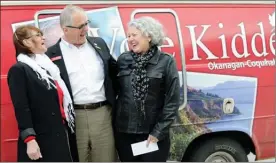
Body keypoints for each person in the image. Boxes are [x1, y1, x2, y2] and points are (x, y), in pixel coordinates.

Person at [46, 5, 117, 162]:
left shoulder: (99, 44)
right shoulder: (51, 55)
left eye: (87, 23)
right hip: (73, 119)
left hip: (103, 114)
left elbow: (115, 72)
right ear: (65, 29)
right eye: (80, 26)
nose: (86, 29)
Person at [114, 16, 180, 162]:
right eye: (128, 36)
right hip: (125, 134)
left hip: (153, 136)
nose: (130, 39)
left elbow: (173, 101)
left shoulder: (166, 61)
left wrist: (158, 132)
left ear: (149, 36)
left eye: (134, 35)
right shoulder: (123, 60)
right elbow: (114, 92)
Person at [7, 25, 75, 162]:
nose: (43, 38)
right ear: (26, 42)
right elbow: (21, 108)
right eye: (38, 35)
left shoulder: (46, 67)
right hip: (40, 139)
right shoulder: (19, 69)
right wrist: (30, 139)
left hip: (58, 134)